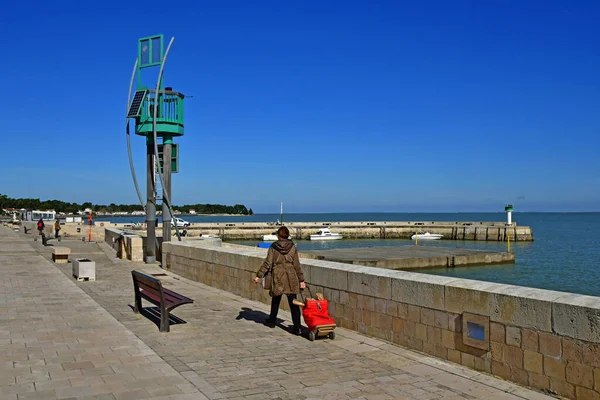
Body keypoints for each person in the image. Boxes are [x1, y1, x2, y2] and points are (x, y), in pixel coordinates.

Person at [254, 226, 305, 335]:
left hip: (278, 276)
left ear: (278, 235)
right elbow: (297, 265)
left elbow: (267, 263)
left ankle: (272, 321)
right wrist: (301, 280)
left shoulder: (273, 246)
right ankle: (297, 328)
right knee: (293, 303)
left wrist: (259, 275)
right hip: (291, 276)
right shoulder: (292, 247)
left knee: (276, 299)